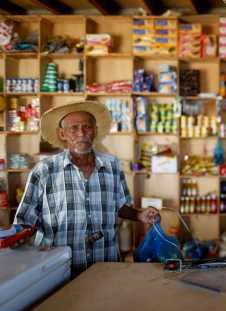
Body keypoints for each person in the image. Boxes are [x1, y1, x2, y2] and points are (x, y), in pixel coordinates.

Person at [14, 101, 160, 276]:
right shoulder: (45, 169)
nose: (81, 133)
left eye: (87, 127)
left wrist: (138, 215)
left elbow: (119, 205)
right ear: (62, 133)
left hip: (105, 264)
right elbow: (24, 219)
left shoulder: (112, 165)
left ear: (95, 131)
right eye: (73, 128)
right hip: (59, 269)